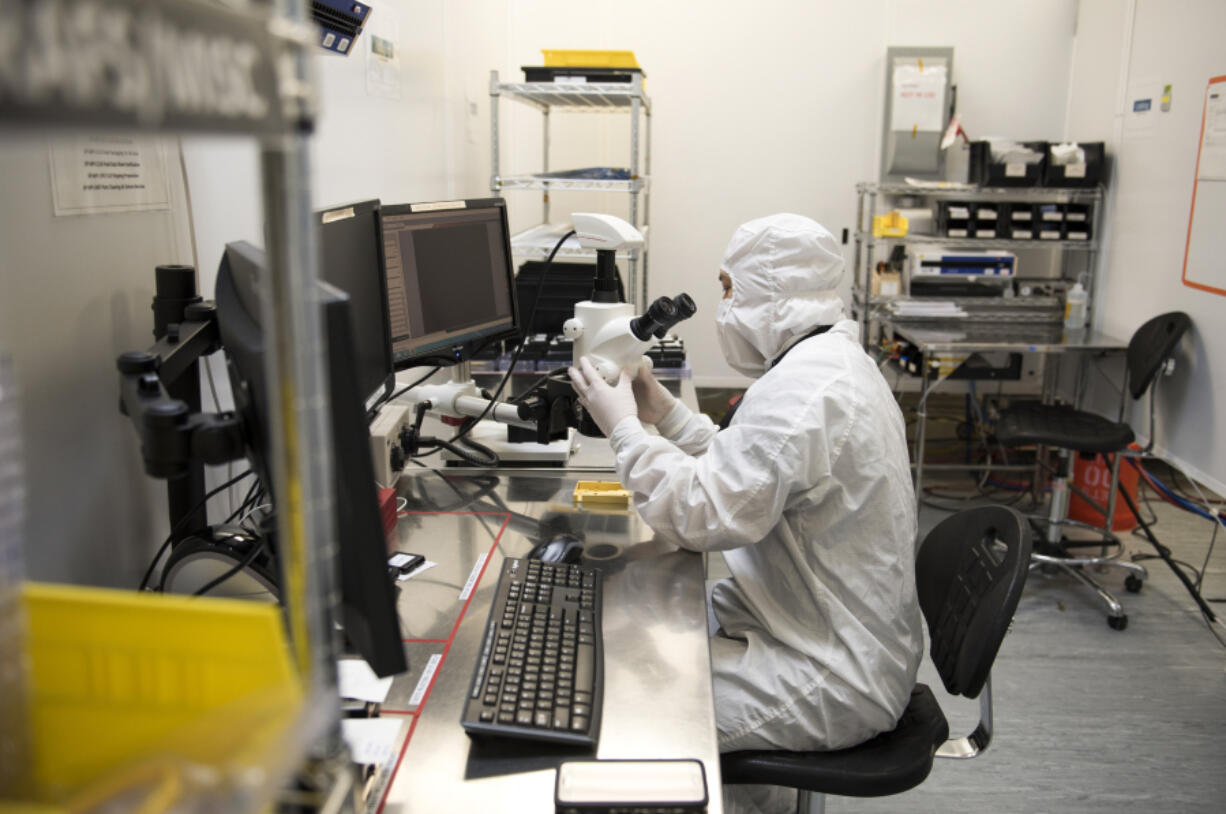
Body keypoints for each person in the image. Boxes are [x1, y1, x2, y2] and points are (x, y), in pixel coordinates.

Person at [569, 213, 923, 811]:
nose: (722, 307)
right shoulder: (823, 362)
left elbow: (705, 514)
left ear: (771, 290)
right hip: (808, 626)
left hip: (831, 673)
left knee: (623, 707)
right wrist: (667, 415)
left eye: (729, 288)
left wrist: (624, 429)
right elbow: (752, 472)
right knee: (637, 629)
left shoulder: (804, 390)